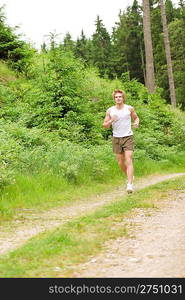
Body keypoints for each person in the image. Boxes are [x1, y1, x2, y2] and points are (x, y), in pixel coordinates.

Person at [103, 89, 139, 193]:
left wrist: (136, 123)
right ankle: (130, 176)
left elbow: (136, 118)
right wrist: (111, 120)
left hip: (128, 136)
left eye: (120, 97)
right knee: (120, 162)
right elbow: (104, 125)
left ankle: (129, 184)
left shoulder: (129, 108)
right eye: (116, 97)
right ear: (114, 99)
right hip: (116, 138)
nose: (118, 98)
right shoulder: (110, 110)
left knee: (128, 158)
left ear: (123, 98)